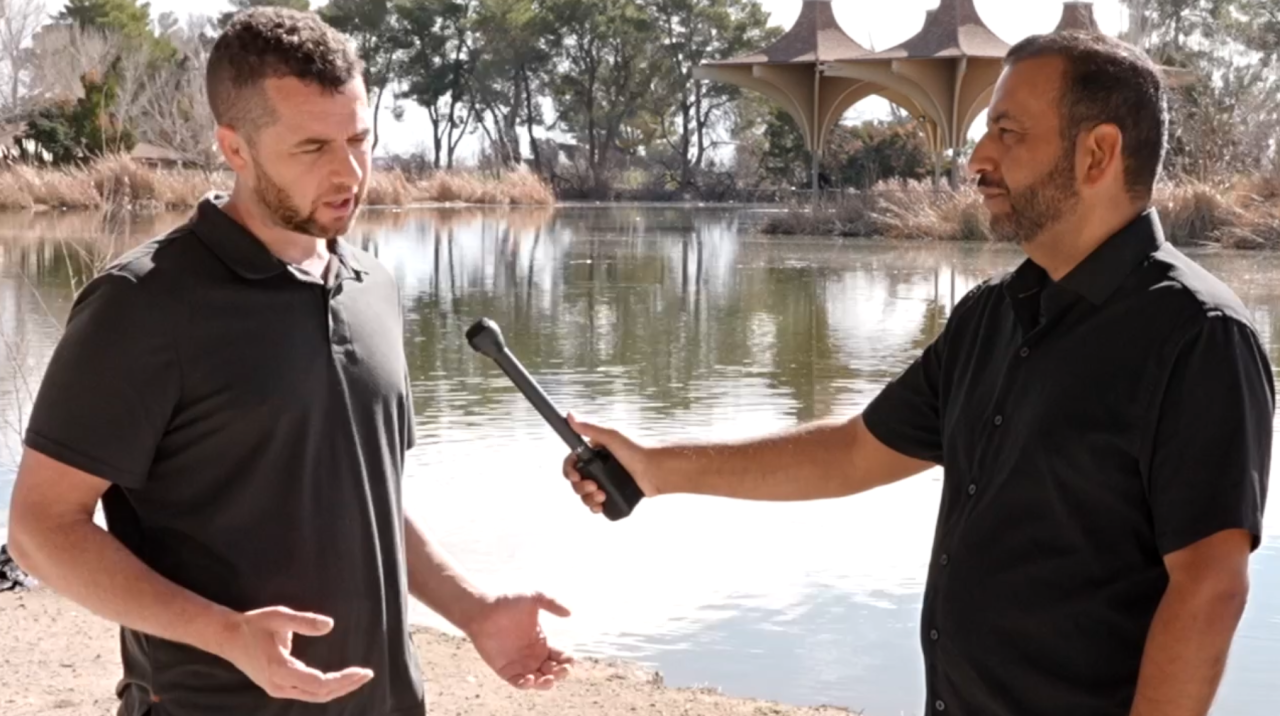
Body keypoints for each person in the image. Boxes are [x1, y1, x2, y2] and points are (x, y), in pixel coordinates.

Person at [563, 30, 1274, 716]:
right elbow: (851, 453)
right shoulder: (991, 317)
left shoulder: (1199, 337)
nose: (977, 161)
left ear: (1098, 154)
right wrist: (656, 469)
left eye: (1008, 132)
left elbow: (1209, 589)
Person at [6, 8, 572, 716]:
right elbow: (41, 528)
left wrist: (473, 608)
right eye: (312, 148)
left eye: (359, 138)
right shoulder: (145, 303)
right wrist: (226, 634)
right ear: (235, 148)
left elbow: (356, 493)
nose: (350, 172)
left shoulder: (373, 287)